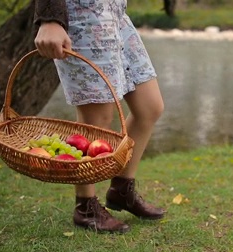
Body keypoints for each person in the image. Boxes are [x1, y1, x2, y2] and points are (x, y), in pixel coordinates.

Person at [33, 0, 165, 233]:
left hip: (116, 15)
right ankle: (85, 206)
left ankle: (122, 190)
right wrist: (50, 19)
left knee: (150, 107)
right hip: (82, 18)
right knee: (97, 120)